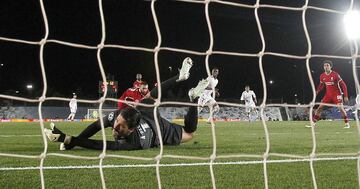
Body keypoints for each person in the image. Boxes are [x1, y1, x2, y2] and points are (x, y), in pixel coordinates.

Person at [44, 57, 209, 151]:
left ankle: (192, 99)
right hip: (146, 115)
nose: (115, 128)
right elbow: (95, 127)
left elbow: (99, 144)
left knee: (190, 133)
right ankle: (181, 78)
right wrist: (70, 141)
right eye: (116, 123)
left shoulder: (134, 142)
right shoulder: (118, 117)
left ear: (131, 130)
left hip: (162, 132)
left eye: (120, 127)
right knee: (150, 99)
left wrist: (69, 140)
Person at [307, 60, 350, 128]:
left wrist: (345, 96)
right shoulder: (322, 76)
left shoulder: (335, 75)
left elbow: (343, 85)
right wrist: (317, 91)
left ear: (330, 67)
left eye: (327, 65)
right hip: (328, 95)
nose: (326, 67)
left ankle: (347, 123)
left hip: (337, 94)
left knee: (341, 108)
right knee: (319, 108)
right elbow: (321, 85)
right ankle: (313, 123)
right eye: (324, 65)